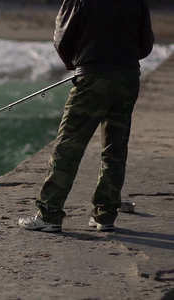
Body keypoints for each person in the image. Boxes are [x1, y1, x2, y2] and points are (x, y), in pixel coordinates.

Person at [18, 0, 154, 232]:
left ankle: (49, 214)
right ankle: (105, 215)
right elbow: (146, 44)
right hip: (128, 76)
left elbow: (62, 40)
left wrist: (78, 65)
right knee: (115, 147)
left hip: (93, 77)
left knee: (69, 145)